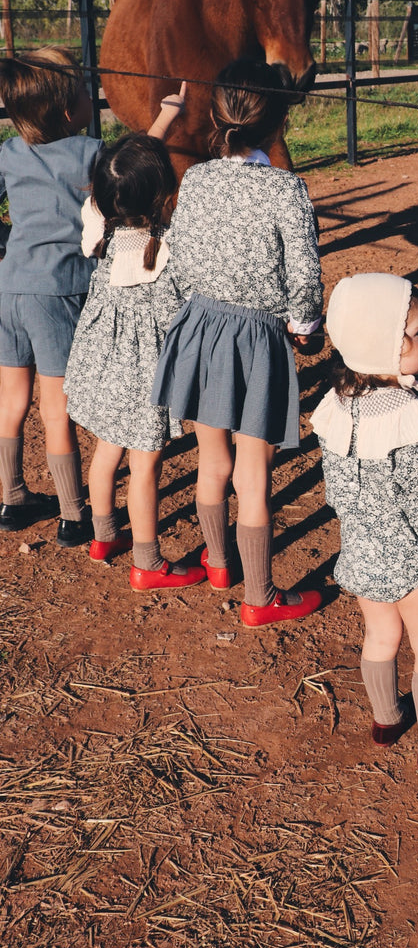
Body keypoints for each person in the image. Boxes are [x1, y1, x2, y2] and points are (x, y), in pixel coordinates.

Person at [151, 59, 323, 626]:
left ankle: (219, 562)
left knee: (211, 459)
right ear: (278, 123)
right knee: (254, 471)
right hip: (255, 335)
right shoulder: (286, 189)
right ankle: (260, 596)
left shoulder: (195, 179)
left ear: (216, 114)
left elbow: (177, 260)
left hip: (198, 327)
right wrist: (306, 326)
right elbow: (303, 275)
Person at [310, 272, 418, 774]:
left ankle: (386, 720)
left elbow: (335, 491)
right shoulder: (407, 417)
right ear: (384, 344)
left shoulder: (336, 407)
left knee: (380, 638)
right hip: (413, 557)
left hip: (362, 549)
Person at [63, 92, 208, 591]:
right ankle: (147, 563)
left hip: (104, 368)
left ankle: (104, 535)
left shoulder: (97, 223)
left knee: (108, 451)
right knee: (145, 467)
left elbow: (128, 170)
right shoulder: (170, 245)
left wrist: (166, 115)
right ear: (164, 190)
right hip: (145, 376)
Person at [0, 48, 98, 543]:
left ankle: (12, 497)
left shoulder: (9, 152)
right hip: (56, 292)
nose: (89, 95)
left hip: (10, 285)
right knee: (56, 409)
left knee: (12, 400)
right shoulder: (89, 152)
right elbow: (135, 169)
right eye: (83, 90)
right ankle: (74, 515)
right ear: (68, 111)